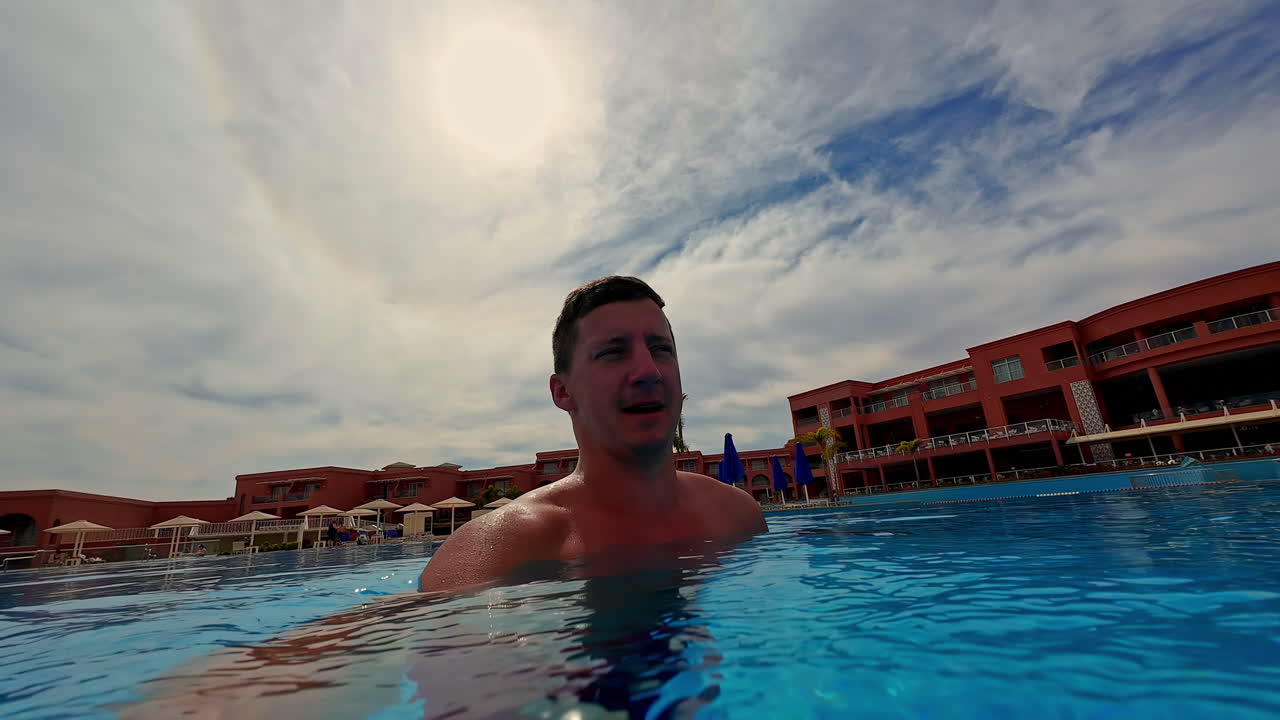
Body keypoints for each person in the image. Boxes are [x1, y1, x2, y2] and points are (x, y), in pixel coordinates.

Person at [420, 276, 767, 594]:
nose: (649, 371)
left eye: (661, 349)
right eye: (613, 352)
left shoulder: (738, 516)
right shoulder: (501, 549)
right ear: (562, 392)